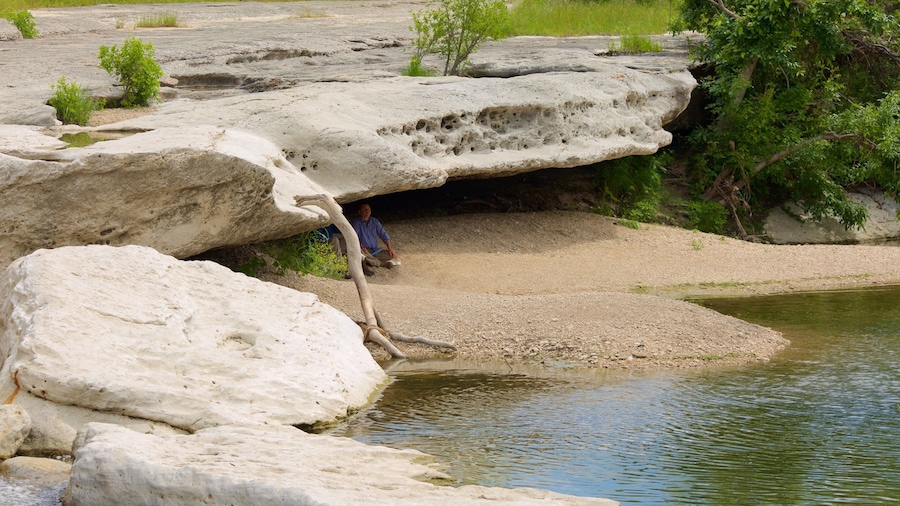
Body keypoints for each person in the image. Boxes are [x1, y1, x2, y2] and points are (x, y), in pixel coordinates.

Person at [350, 203, 399, 274]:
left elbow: (383, 235)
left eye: (368, 209)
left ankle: (369, 261)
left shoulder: (374, 221)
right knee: (361, 254)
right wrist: (361, 247)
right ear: (359, 212)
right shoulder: (356, 222)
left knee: (390, 255)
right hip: (364, 249)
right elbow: (354, 236)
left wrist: (390, 248)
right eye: (365, 209)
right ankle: (381, 264)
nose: (367, 211)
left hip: (375, 250)